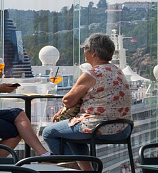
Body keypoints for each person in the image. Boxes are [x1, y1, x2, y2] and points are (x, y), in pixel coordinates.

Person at [41, 33, 132, 165]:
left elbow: (68, 100)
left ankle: (72, 169)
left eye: (86, 49)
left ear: (94, 52)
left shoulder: (92, 74)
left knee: (49, 133)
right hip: (123, 128)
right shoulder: (118, 71)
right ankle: (86, 172)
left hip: (99, 128)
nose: (84, 52)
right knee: (72, 131)